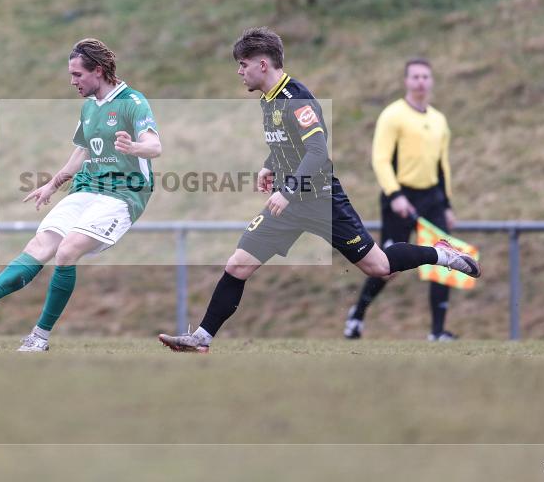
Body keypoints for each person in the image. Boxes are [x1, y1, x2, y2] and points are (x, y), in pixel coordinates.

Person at [158, 27, 479, 353]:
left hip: (322, 200)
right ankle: (201, 338)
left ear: (263, 65)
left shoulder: (296, 99)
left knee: (379, 267)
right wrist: (271, 164)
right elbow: (291, 144)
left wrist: (287, 190)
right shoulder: (269, 99)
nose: (240, 72)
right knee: (238, 265)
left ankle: (441, 253)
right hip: (290, 204)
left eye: (243, 64)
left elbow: (317, 151)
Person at [0, 38, 161, 352]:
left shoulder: (133, 102)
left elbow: (155, 146)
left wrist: (134, 147)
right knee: (41, 245)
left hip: (123, 194)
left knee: (66, 251)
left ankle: (39, 336)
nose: (72, 81)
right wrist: (52, 185)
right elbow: (80, 154)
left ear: (99, 70)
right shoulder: (89, 107)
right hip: (87, 188)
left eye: (78, 74)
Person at [345, 58, 459, 341]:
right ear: (406, 81)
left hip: (431, 198)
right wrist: (394, 194)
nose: (420, 81)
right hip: (400, 197)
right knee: (386, 265)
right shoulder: (393, 115)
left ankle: (437, 331)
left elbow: (442, 165)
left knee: (444, 256)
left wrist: (446, 204)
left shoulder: (439, 120)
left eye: (425, 77)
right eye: (415, 77)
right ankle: (357, 315)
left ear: (431, 81)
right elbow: (380, 159)